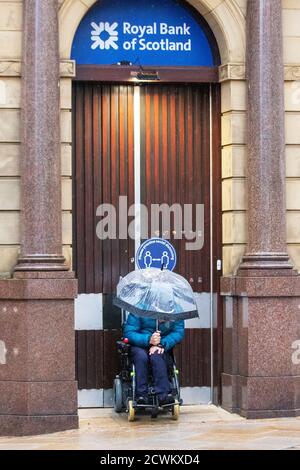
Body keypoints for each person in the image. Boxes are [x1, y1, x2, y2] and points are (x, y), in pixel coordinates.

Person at [123, 313, 184, 406]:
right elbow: (129, 333)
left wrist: (162, 343)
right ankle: (141, 395)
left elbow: (178, 333)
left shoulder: (176, 311)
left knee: (157, 355)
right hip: (140, 345)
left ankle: (163, 395)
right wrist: (149, 340)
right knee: (141, 357)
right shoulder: (138, 310)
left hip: (161, 346)